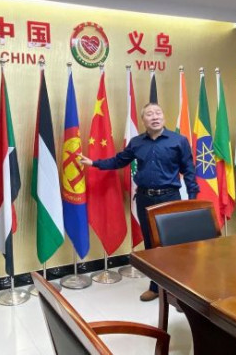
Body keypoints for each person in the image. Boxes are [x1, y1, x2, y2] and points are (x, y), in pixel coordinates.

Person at [80, 102, 198, 302]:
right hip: (145, 199)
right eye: (149, 114)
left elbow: (189, 170)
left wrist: (192, 201)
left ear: (163, 117)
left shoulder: (179, 141)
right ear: (143, 120)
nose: (155, 117)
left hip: (169, 198)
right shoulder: (136, 143)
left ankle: (178, 288)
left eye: (158, 113)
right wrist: (94, 163)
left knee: (173, 246)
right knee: (151, 244)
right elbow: (119, 161)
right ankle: (155, 287)